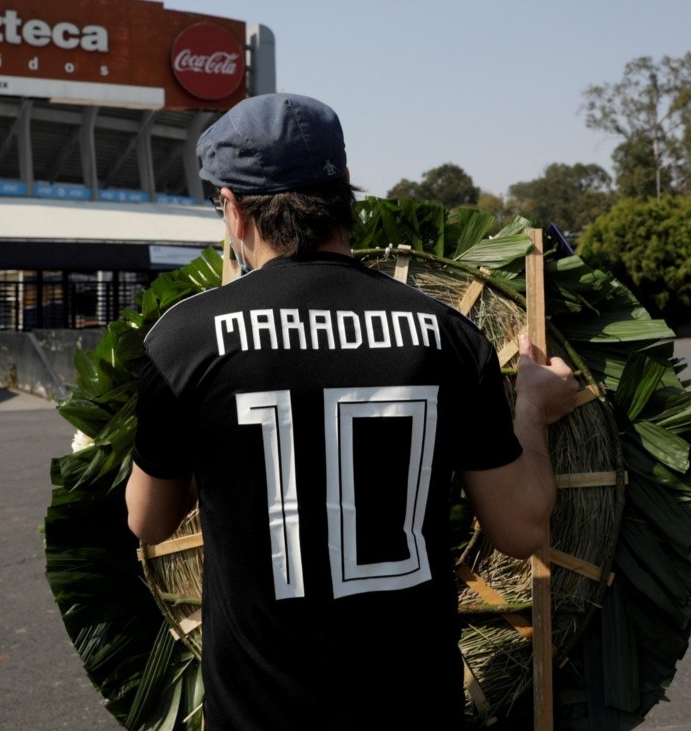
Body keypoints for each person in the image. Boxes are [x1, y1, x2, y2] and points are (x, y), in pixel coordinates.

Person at [125, 93, 579, 730]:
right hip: (412, 707)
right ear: (343, 193)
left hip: (259, 715)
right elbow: (521, 530)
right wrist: (531, 404)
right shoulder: (444, 334)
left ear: (233, 208)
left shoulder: (186, 340)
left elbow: (148, 520)